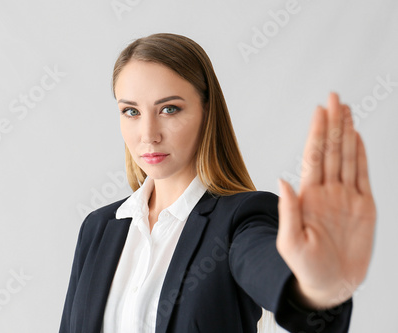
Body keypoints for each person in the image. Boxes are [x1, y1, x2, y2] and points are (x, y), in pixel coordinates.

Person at [58, 33, 376, 333]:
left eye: (169, 109)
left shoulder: (241, 218)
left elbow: (270, 273)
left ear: (206, 111)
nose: (148, 134)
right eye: (131, 111)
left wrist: (317, 290)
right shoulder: (99, 227)